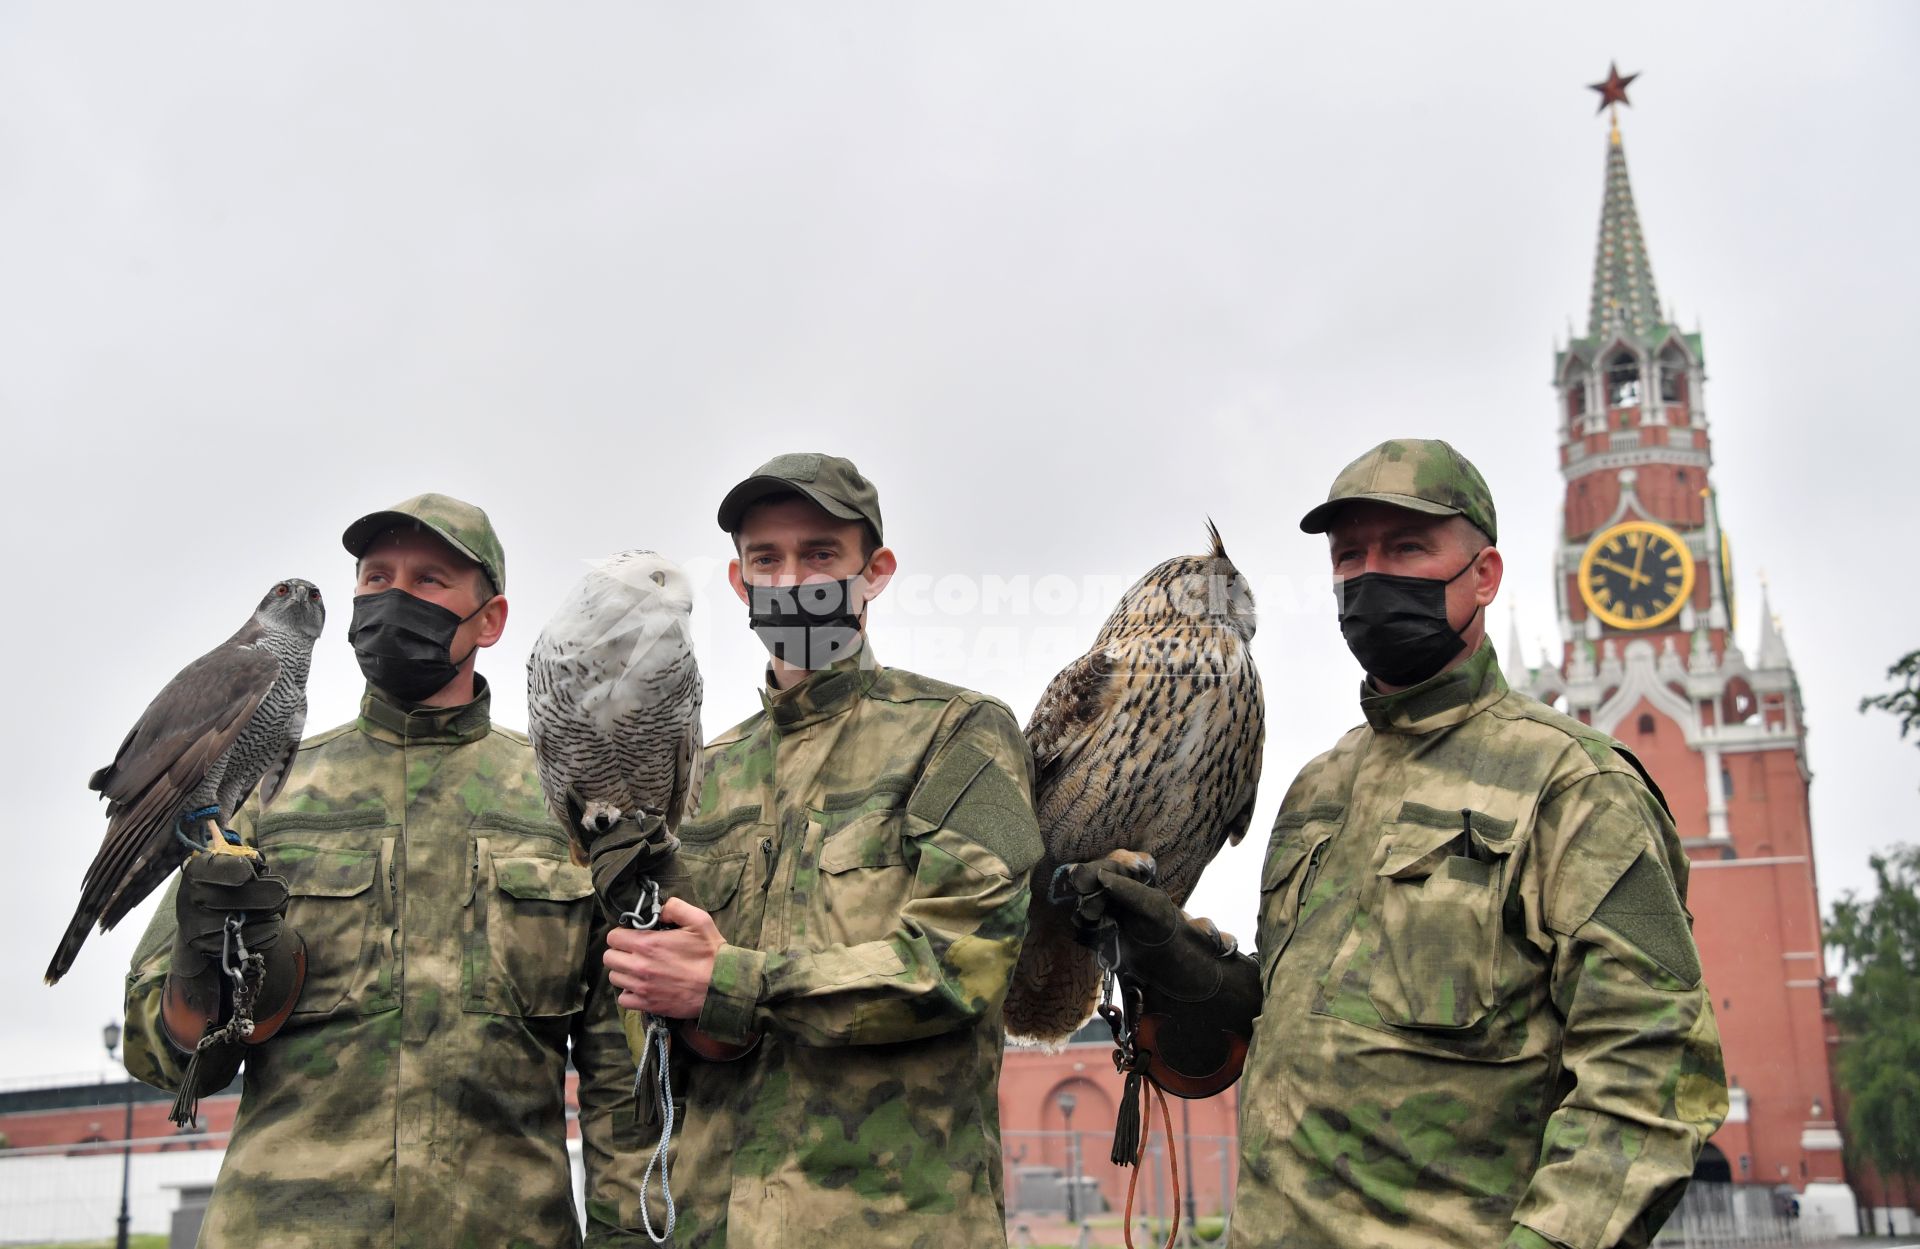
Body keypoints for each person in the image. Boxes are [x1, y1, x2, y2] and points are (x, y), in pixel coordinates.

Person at [1064, 440, 1728, 1249]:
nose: (1371, 573)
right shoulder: (1319, 790)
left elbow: (1652, 1075)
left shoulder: (1573, 785)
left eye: (1407, 547)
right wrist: (1170, 958)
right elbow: (1281, 1030)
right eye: (1351, 555)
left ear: (1484, 574)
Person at [122, 493, 653, 1248]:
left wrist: (630, 1232)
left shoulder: (559, 805)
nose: (393, 598)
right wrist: (195, 974)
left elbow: (619, 1072)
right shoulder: (268, 793)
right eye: (375, 579)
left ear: (491, 620)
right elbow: (156, 1046)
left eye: (430, 580)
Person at [600, 452, 1044, 1248]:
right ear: (739, 583)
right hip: (713, 1222)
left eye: (820, 554)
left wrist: (730, 980)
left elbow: (958, 967)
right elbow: (656, 1026)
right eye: (766, 558)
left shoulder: (962, 734)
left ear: (875, 572)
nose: (791, 576)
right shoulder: (701, 772)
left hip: (895, 1223)